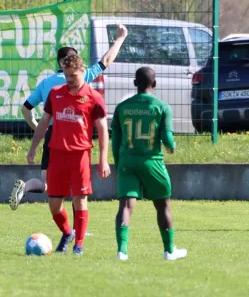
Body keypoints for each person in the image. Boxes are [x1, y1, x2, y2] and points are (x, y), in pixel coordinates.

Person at [9, 24, 128, 210]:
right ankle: (76, 231)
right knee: (76, 188)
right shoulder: (82, 76)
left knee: (49, 183)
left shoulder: (46, 83)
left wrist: (38, 129)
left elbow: (26, 109)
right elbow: (106, 59)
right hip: (74, 136)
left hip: (52, 134)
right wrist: (120, 38)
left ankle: (27, 186)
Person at [26, 54, 110, 255]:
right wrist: (33, 147)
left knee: (79, 200)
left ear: (83, 71)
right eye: (66, 75)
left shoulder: (94, 97)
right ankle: (67, 232)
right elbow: (44, 123)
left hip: (79, 156)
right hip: (56, 155)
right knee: (54, 206)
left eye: (72, 75)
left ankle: (78, 245)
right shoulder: (55, 93)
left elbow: (103, 130)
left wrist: (103, 159)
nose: (69, 79)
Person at [112, 67, 186, 261]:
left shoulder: (122, 107)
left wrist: (119, 165)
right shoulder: (161, 107)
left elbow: (115, 142)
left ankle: (122, 251)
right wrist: (172, 147)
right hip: (152, 162)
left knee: (125, 207)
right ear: (155, 84)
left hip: (127, 161)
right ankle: (169, 251)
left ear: (135, 84)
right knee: (163, 206)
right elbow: (168, 138)